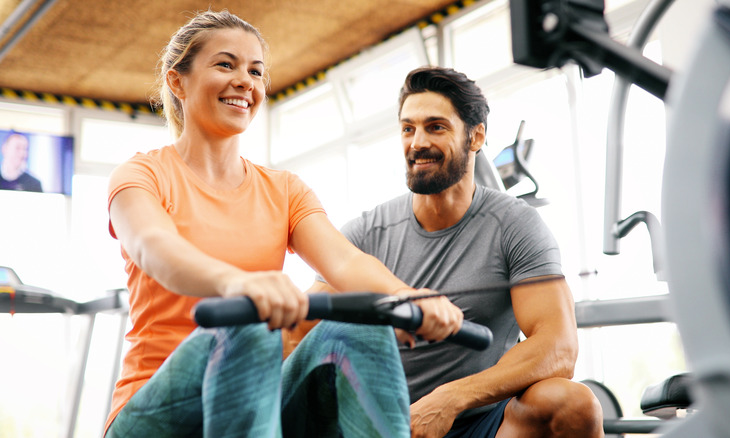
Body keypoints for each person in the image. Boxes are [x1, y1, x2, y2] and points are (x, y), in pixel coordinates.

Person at [103, 11, 463, 438]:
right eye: (225, 64)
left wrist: (408, 299)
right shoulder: (142, 175)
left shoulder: (284, 189)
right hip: (154, 413)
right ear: (177, 82)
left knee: (361, 328)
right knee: (249, 324)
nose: (245, 81)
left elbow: (345, 262)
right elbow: (155, 248)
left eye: (256, 71)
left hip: (255, 406)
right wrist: (238, 283)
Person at [307, 66, 604, 437]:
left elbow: (559, 347)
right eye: (407, 128)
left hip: (482, 420)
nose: (416, 142)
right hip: (388, 424)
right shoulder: (366, 234)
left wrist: (452, 398)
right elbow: (300, 335)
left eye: (435, 127)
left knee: (573, 404)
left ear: (476, 137)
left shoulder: (515, 225)